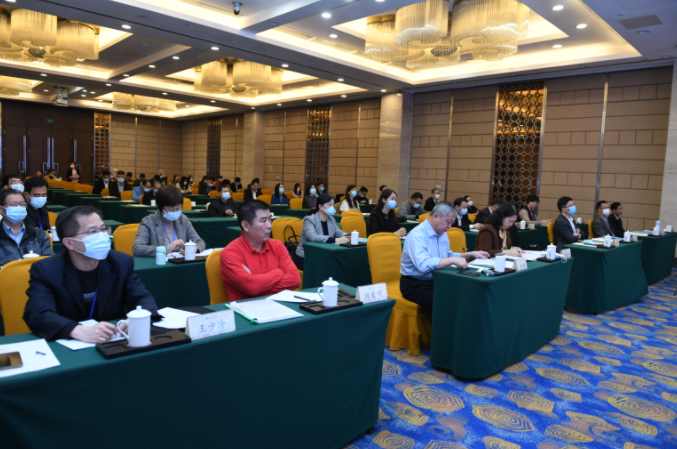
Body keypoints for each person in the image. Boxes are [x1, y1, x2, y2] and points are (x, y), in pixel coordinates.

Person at [23, 206, 157, 342]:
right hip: (70, 344)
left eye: (103, 229)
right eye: (93, 231)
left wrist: (137, 319)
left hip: (113, 339)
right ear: (69, 243)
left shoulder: (121, 262)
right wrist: (75, 330)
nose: (102, 236)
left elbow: (143, 298)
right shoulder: (46, 270)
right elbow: (37, 314)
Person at [400, 201, 489, 312]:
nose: (449, 227)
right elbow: (423, 266)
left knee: (468, 292)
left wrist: (470, 254)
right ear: (436, 216)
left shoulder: (442, 233)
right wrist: (452, 260)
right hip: (415, 284)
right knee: (446, 301)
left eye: (452, 223)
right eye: (448, 222)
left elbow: (446, 255)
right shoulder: (417, 235)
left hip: (438, 280)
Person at [220, 200, 300, 301]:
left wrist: (259, 287)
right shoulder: (231, 253)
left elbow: (295, 280)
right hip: (247, 308)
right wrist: (279, 273)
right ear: (246, 226)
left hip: (279, 306)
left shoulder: (277, 245)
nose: (270, 225)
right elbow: (252, 287)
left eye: (269, 219)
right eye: (263, 221)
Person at [133, 186, 206, 257]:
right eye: (171, 209)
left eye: (178, 208)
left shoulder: (183, 219)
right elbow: (137, 248)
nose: (175, 212)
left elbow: (199, 242)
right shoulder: (148, 221)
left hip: (179, 262)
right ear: (161, 208)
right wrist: (167, 249)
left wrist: (193, 250)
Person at [293, 194, 350, 270]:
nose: (332, 207)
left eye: (333, 205)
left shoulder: (331, 219)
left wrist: (347, 235)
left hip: (323, 255)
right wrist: (336, 240)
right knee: (326, 268)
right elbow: (313, 237)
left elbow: (338, 232)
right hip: (306, 257)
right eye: (329, 205)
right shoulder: (309, 219)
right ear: (320, 206)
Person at [0, 189, 54, 267]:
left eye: (22, 204)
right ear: (1, 209)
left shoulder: (39, 234)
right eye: (13, 204)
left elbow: (50, 262)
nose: (18, 207)